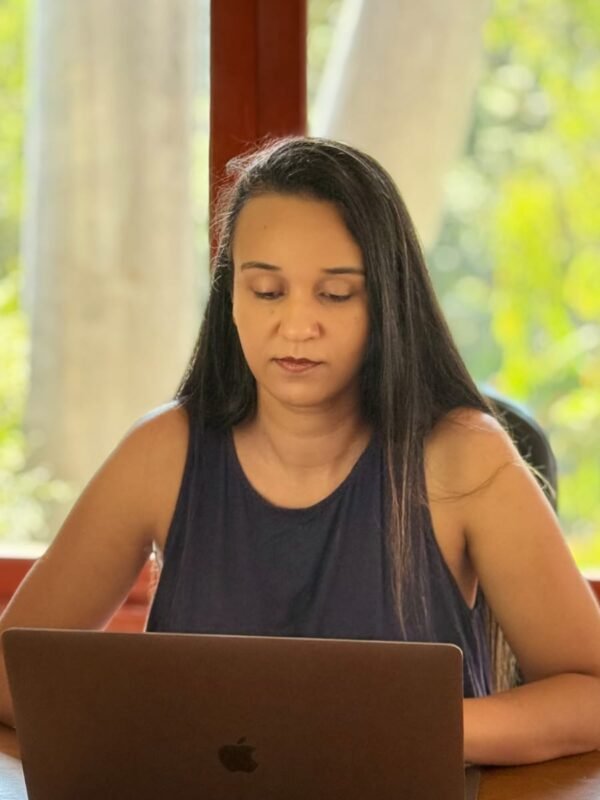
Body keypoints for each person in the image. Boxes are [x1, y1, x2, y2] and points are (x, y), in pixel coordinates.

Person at [0, 136, 599, 765]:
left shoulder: (464, 458)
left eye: (335, 295)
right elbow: (12, 669)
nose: (296, 327)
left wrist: (387, 731)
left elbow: (587, 692)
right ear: (231, 296)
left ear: (387, 302)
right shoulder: (162, 453)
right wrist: (157, 723)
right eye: (266, 291)